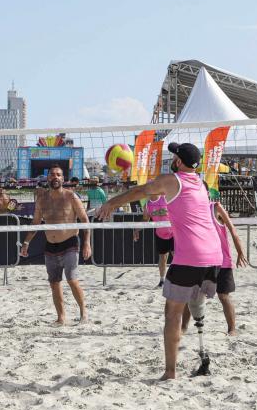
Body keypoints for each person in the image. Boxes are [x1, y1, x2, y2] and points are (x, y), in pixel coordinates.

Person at [96, 143, 222, 380]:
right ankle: (199, 353)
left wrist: (111, 203)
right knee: (192, 303)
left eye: (174, 156)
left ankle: (170, 372)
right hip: (214, 255)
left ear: (179, 161)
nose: (172, 159)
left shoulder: (172, 180)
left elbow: (140, 191)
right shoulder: (202, 184)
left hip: (191, 255)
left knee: (172, 313)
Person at [20, 165, 91, 325]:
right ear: (48, 178)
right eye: (52, 174)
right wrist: (26, 243)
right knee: (54, 283)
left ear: (63, 179)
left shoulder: (71, 196)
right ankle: (61, 318)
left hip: (70, 242)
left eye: (58, 175)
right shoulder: (42, 199)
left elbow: (85, 220)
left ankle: (83, 313)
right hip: (51, 245)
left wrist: (87, 243)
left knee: (72, 279)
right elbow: (35, 223)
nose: (55, 177)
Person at [181, 202, 247, 336]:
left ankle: (232, 329)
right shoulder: (191, 209)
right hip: (202, 261)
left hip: (222, 261)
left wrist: (240, 251)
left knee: (223, 296)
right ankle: (183, 328)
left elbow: (232, 229)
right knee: (192, 294)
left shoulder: (215, 208)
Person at [133, 194, 173, 288]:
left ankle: (178, 280)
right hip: (160, 234)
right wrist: (137, 229)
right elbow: (145, 219)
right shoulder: (147, 205)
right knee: (162, 258)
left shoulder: (166, 198)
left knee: (177, 256)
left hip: (173, 232)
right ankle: (162, 280)